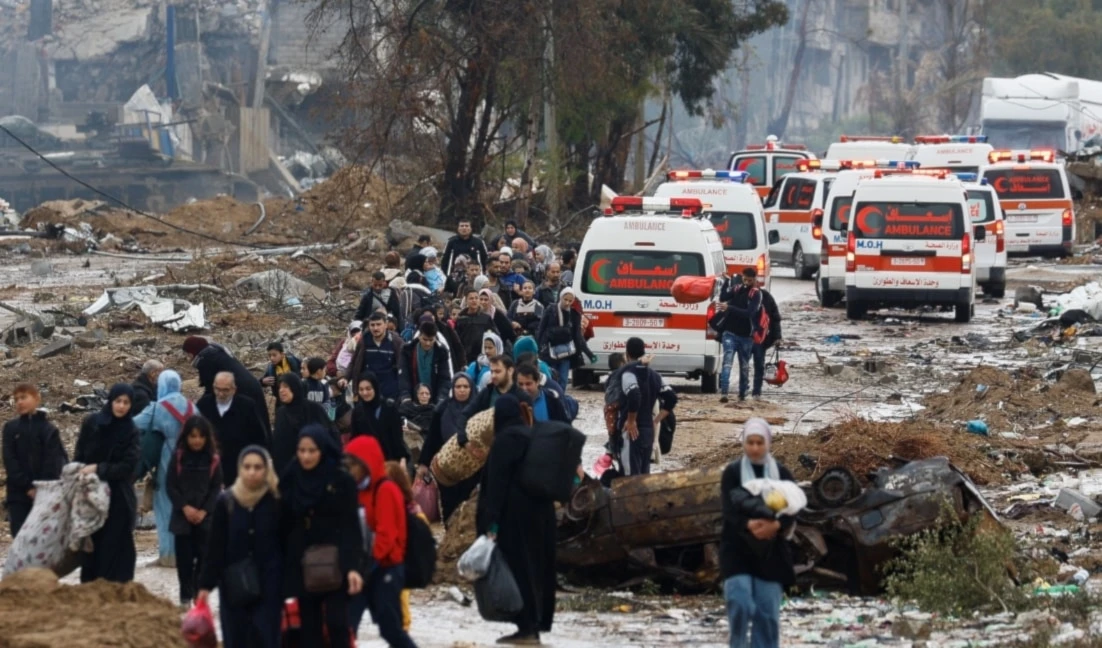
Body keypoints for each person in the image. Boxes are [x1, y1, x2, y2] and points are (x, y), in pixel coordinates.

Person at [476, 394, 556, 644]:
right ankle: (536, 623)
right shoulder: (533, 435)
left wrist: (491, 522)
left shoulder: (504, 441)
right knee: (538, 569)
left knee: (518, 570)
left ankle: (526, 628)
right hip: (542, 514)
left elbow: (496, 486)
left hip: (515, 517)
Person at [281, 425, 364, 648]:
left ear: (323, 450)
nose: (306, 456)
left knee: (337, 623)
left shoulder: (340, 480)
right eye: (301, 450)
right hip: (299, 562)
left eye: (312, 451)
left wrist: (353, 567)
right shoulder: (291, 477)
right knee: (308, 630)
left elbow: (350, 526)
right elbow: (282, 522)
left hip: (334, 561)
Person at [721, 419, 796, 648]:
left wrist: (776, 526)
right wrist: (748, 524)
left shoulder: (781, 474)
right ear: (744, 443)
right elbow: (728, 510)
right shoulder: (733, 473)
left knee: (767, 615)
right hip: (737, 549)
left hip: (771, 553)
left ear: (768, 443)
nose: (754, 448)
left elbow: (792, 508)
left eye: (759, 442)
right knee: (740, 602)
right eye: (750, 442)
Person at [198, 446, 283, 648]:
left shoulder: (277, 502)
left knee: (266, 638)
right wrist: (205, 586)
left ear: (267, 469)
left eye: (258, 467)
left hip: (269, 587)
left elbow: (287, 544)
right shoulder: (226, 502)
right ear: (239, 469)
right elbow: (215, 548)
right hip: (234, 589)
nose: (252, 472)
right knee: (237, 639)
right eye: (247, 467)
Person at [344, 436, 417, 648]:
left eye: (353, 465)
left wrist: (366, 565)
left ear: (365, 464)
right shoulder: (359, 490)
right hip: (364, 568)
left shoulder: (385, 490)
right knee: (347, 626)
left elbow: (387, 535)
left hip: (385, 568)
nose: (350, 471)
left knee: (390, 628)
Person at [74, 383, 140, 583]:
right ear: (110, 401)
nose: (121, 406)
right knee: (92, 542)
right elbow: (79, 454)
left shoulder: (131, 430)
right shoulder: (92, 423)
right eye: (118, 401)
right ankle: (91, 590)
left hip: (118, 497)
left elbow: (128, 466)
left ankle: (114, 592)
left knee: (115, 545)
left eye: (126, 402)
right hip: (91, 496)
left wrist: (98, 469)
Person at [133, 369, 196, 566]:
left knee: (165, 508)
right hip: (191, 463)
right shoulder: (192, 408)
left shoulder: (157, 408)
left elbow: (133, 425)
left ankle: (169, 556)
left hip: (167, 462)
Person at [166, 415, 223, 608]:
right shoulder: (179, 457)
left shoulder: (213, 460)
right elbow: (171, 485)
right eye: (192, 436)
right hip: (182, 518)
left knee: (204, 559)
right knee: (184, 561)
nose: (196, 440)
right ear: (186, 437)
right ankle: (184, 597)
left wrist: (204, 511)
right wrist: (185, 507)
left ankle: (199, 596)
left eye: (200, 436)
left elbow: (216, 488)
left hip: (206, 520)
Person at [2, 383, 66, 537]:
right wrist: (27, 487)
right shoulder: (11, 429)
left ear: (37, 399)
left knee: (43, 543)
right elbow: (10, 460)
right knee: (20, 540)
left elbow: (53, 462)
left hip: (45, 495)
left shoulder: (48, 430)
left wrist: (40, 488)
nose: (19, 402)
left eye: (24, 397)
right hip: (18, 495)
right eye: (16, 399)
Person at [417, 374, 477, 525]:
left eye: (465, 387)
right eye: (458, 387)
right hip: (447, 468)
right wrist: (424, 463)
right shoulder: (442, 409)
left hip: (472, 468)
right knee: (449, 507)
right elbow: (432, 438)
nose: (462, 390)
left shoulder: (478, 410)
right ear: (452, 388)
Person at [183, 336, 271, 435]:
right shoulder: (215, 352)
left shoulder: (206, 359)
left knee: (251, 427)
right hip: (250, 386)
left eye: (188, 354)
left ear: (193, 352)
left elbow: (210, 390)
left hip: (243, 391)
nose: (188, 358)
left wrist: (197, 410)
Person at [615, 338, 677, 476]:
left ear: (627, 354)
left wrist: (631, 420)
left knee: (630, 476)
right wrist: (656, 420)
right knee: (644, 475)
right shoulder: (655, 376)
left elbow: (634, 394)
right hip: (648, 430)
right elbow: (672, 398)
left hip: (631, 431)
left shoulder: (628, 374)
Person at [197, 372, 270, 488]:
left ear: (234, 389)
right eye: (217, 389)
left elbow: (259, 438)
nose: (220, 394)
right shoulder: (204, 405)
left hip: (238, 470)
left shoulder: (247, 406)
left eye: (225, 390)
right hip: (210, 470)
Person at [717, 268, 764, 403]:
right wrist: (726, 282)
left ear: (755, 279)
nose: (747, 283)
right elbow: (723, 297)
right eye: (745, 279)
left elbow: (749, 313)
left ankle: (742, 393)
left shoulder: (756, 294)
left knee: (744, 366)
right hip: (729, 333)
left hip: (746, 337)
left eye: (750, 280)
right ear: (742, 277)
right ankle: (724, 393)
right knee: (727, 363)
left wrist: (729, 308)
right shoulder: (737, 288)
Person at [272, 373, 334, 475]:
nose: (281, 390)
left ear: (295, 388)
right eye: (280, 387)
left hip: (313, 470)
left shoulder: (313, 409)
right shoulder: (281, 412)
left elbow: (329, 435)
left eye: (286, 387)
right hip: (286, 473)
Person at [537, 287, 596, 388]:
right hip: (550, 350)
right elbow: (541, 328)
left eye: (570, 300)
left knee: (563, 379)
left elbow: (577, 335)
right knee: (551, 377)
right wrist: (538, 347)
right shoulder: (551, 310)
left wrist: (589, 353)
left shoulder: (574, 314)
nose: (567, 303)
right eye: (565, 299)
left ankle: (561, 399)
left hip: (567, 352)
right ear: (561, 297)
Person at [351, 374, 410, 464]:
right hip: (367, 463)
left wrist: (402, 458)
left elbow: (397, 438)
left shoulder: (389, 407)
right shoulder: (358, 412)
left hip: (390, 461)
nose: (365, 393)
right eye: (361, 389)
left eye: (368, 389)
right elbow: (355, 438)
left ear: (375, 388)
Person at [345, 311, 403, 402]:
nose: (375, 328)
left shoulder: (396, 342)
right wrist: (345, 378)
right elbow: (354, 362)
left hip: (390, 390)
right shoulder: (364, 341)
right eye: (372, 325)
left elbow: (403, 365)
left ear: (386, 325)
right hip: (368, 390)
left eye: (379, 324)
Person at [459, 355, 521, 431]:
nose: (493, 376)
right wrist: (463, 437)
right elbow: (465, 414)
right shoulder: (487, 392)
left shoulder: (521, 396)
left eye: (498, 371)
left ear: (510, 371)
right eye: (492, 372)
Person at [398, 321, 453, 405]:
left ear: (435, 337)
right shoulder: (407, 350)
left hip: (434, 400)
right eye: (425, 339)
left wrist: (441, 398)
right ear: (419, 336)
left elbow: (445, 378)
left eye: (431, 340)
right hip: (412, 399)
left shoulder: (441, 352)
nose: (428, 343)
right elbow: (404, 376)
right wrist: (406, 396)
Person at [751, 288, 783, 400]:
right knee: (743, 365)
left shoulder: (766, 297)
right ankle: (743, 390)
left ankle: (756, 392)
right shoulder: (741, 294)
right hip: (744, 338)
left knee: (759, 366)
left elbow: (775, 317)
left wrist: (777, 337)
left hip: (761, 339)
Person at [455, 289, 497, 363]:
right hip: (465, 357)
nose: (474, 300)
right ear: (466, 301)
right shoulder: (461, 319)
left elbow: (494, 336)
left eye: (476, 298)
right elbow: (456, 339)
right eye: (471, 298)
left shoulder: (486, 318)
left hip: (482, 355)